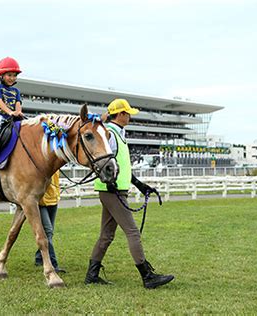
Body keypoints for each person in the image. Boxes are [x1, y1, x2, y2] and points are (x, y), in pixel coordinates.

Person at [84, 98, 174, 289]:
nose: (130, 117)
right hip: (112, 190)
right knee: (132, 232)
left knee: (106, 235)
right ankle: (147, 276)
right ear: (121, 114)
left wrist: (140, 185)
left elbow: (122, 167)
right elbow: (103, 163)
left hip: (113, 190)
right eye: (128, 113)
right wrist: (111, 185)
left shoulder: (118, 134)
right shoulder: (110, 135)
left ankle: (92, 274)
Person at [34, 170, 66, 273]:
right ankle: (52, 263)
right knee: (48, 232)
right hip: (40, 202)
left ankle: (39, 258)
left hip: (53, 199)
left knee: (49, 233)